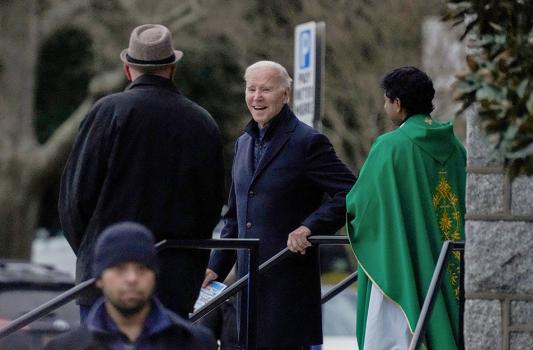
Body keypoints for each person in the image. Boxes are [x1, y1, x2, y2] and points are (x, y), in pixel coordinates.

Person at [58, 24, 224, 319]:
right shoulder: (202, 122)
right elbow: (209, 207)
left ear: (127, 69)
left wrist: (98, 253)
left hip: (106, 279)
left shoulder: (108, 112)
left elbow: (74, 199)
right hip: (175, 280)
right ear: (172, 69)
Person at [203, 60, 356, 349]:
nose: (257, 97)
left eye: (266, 89)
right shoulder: (243, 143)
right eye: (251, 89)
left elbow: (351, 192)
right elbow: (234, 217)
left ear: (285, 95)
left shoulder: (308, 142)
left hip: (288, 292)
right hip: (246, 294)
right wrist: (215, 268)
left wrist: (310, 227)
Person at [347, 66, 466, 350]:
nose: (385, 105)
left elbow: (360, 204)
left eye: (386, 100)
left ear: (397, 104)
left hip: (406, 259)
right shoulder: (457, 148)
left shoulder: (391, 147)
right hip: (450, 262)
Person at [43, 222, 217, 350]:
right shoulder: (66, 347)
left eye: (142, 269)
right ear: (99, 278)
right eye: (120, 269)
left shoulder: (195, 343)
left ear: (154, 276)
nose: (132, 278)